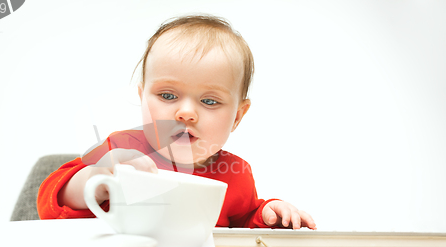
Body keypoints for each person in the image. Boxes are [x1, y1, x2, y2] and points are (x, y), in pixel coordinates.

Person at [37, 14, 317, 230]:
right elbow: (51, 204)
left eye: (209, 101)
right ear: (143, 97)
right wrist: (99, 176)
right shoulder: (122, 150)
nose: (186, 113)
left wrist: (269, 213)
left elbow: (244, 222)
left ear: (237, 117)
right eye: (168, 95)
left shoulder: (237, 175)